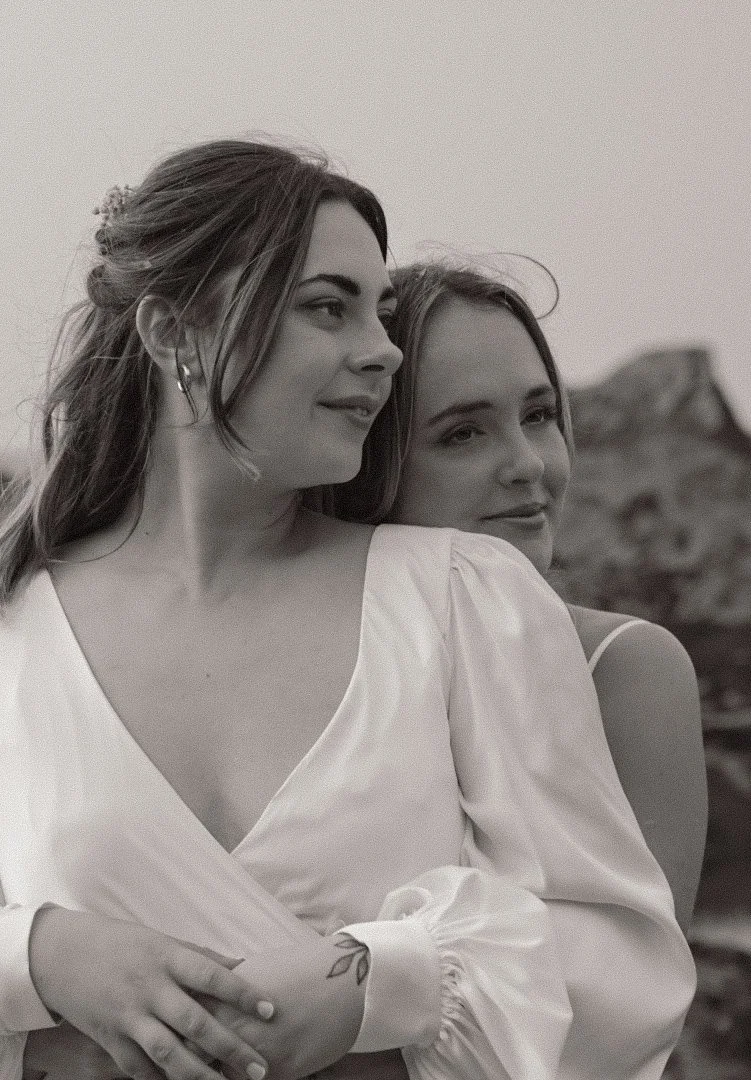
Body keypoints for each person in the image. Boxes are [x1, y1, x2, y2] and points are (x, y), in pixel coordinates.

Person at [2, 141, 694, 1080]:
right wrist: (37, 957)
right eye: (328, 307)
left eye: (378, 311)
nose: (383, 351)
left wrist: (381, 982)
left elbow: (625, 962)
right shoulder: (16, 627)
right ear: (173, 334)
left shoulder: (465, 598)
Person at [368, 258, 707, 937]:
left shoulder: (624, 670)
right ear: (370, 456)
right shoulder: (301, 658)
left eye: (539, 414)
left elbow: (636, 982)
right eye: (463, 433)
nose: (528, 463)